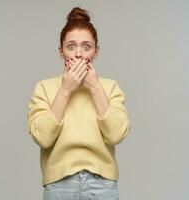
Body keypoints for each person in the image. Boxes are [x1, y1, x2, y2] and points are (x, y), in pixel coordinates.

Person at [27, 6, 131, 200]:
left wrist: (95, 87)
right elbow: (42, 137)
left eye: (86, 46)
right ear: (61, 51)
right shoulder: (45, 87)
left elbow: (117, 134)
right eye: (71, 46)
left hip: (103, 183)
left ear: (96, 52)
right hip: (59, 183)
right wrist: (66, 90)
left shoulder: (109, 87)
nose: (79, 54)